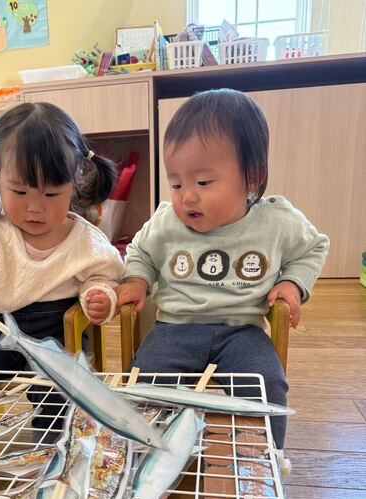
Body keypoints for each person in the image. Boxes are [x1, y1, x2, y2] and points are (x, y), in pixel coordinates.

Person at [116, 89, 329, 449]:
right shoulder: (167, 221)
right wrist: (137, 279)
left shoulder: (277, 221)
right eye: (176, 183)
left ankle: (261, 464)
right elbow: (141, 252)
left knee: (267, 385)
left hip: (242, 331)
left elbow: (314, 246)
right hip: (175, 329)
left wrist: (293, 283)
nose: (187, 196)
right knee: (147, 383)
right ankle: (150, 457)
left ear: (252, 176)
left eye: (202, 182)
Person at [0, 101, 123, 440]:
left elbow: (103, 273)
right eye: (20, 191)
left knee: (58, 393)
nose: (35, 207)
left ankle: (50, 453)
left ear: (75, 182)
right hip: (0, 334)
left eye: (51, 193)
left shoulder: (84, 238)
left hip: (59, 338)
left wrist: (99, 294)